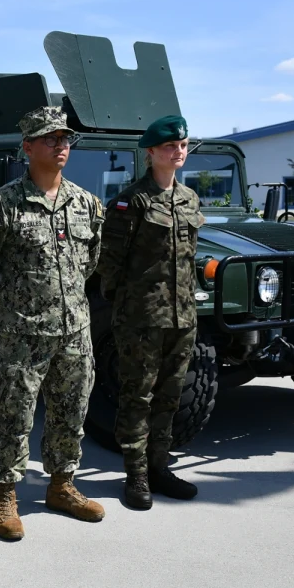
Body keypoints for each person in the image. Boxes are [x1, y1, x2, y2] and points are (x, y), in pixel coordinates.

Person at [0, 106, 106, 540]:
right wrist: (16, 305)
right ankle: (6, 493)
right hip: (20, 335)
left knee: (71, 411)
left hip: (75, 331)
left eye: (64, 139)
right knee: (13, 415)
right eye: (50, 138)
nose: (60, 145)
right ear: (27, 147)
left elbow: (90, 264)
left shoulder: (87, 204)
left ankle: (62, 485)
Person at [97, 114, 203, 509]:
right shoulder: (132, 202)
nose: (179, 152)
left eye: (183, 145)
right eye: (170, 146)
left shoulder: (189, 199)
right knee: (137, 396)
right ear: (151, 153)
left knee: (170, 395)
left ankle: (160, 466)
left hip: (182, 316)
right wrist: (126, 304)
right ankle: (136, 474)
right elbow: (111, 263)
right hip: (141, 318)